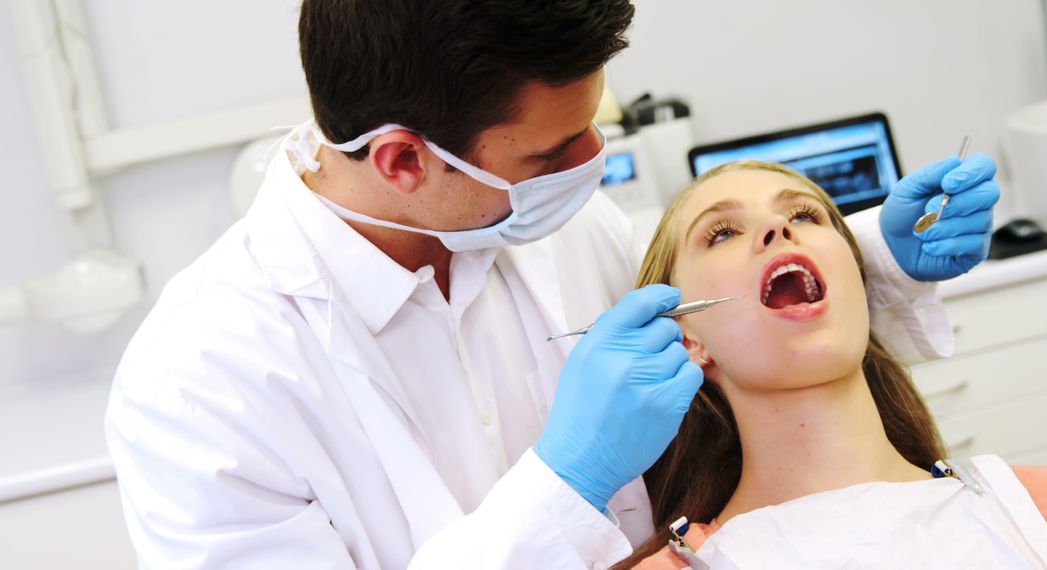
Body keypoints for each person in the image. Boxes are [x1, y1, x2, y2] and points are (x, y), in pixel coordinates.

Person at [104, 1, 1001, 568]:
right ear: (403, 159)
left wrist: (872, 252)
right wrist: (566, 484)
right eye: (552, 153)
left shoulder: (549, 216)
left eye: (592, 125)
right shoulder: (200, 385)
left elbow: (726, 317)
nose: (593, 164)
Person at [617, 161, 1047, 569]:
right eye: (722, 233)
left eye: (804, 215)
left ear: (862, 282)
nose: (778, 227)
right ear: (686, 339)